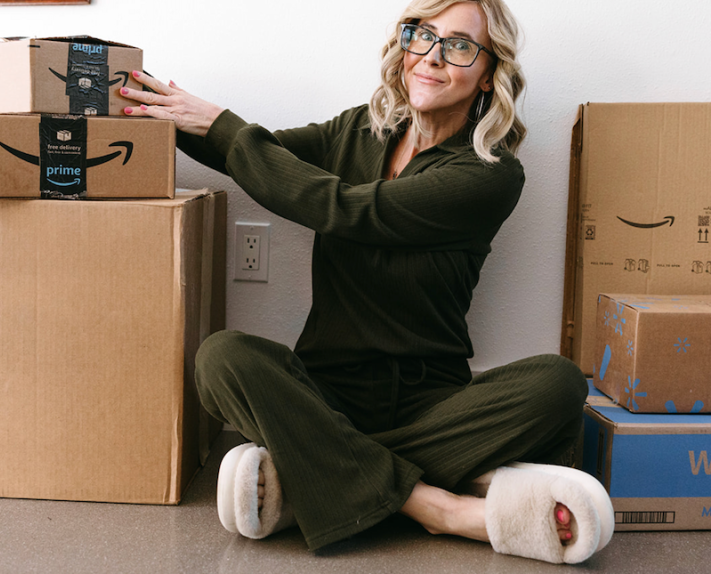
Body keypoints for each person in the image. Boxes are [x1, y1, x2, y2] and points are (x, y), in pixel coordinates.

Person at [122, 0, 612, 565]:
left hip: (432, 401)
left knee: (559, 385)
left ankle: (309, 473)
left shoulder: (489, 174)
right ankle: (436, 505)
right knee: (221, 358)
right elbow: (253, 155)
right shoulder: (360, 129)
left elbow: (348, 209)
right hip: (326, 391)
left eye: (458, 45)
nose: (431, 57)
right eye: (421, 36)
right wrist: (147, 99)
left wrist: (221, 121)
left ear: (488, 72)